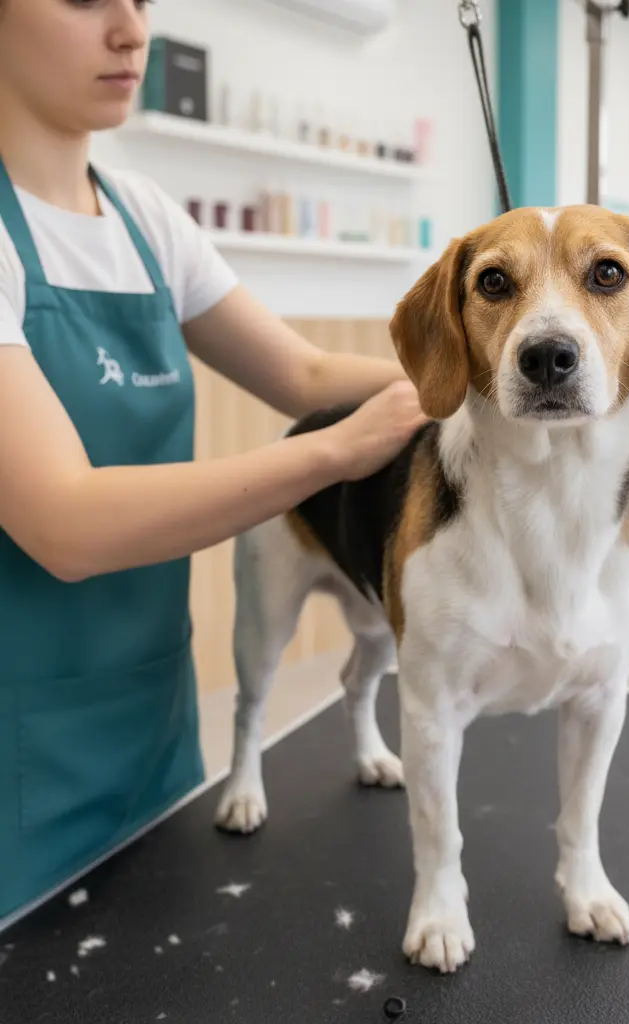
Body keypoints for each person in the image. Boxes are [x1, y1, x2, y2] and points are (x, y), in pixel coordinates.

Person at [0, 0, 428, 922]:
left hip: (154, 724)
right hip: (15, 762)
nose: (129, 29)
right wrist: (335, 451)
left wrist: (481, 380)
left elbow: (303, 371)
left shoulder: (144, 216)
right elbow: (65, 524)